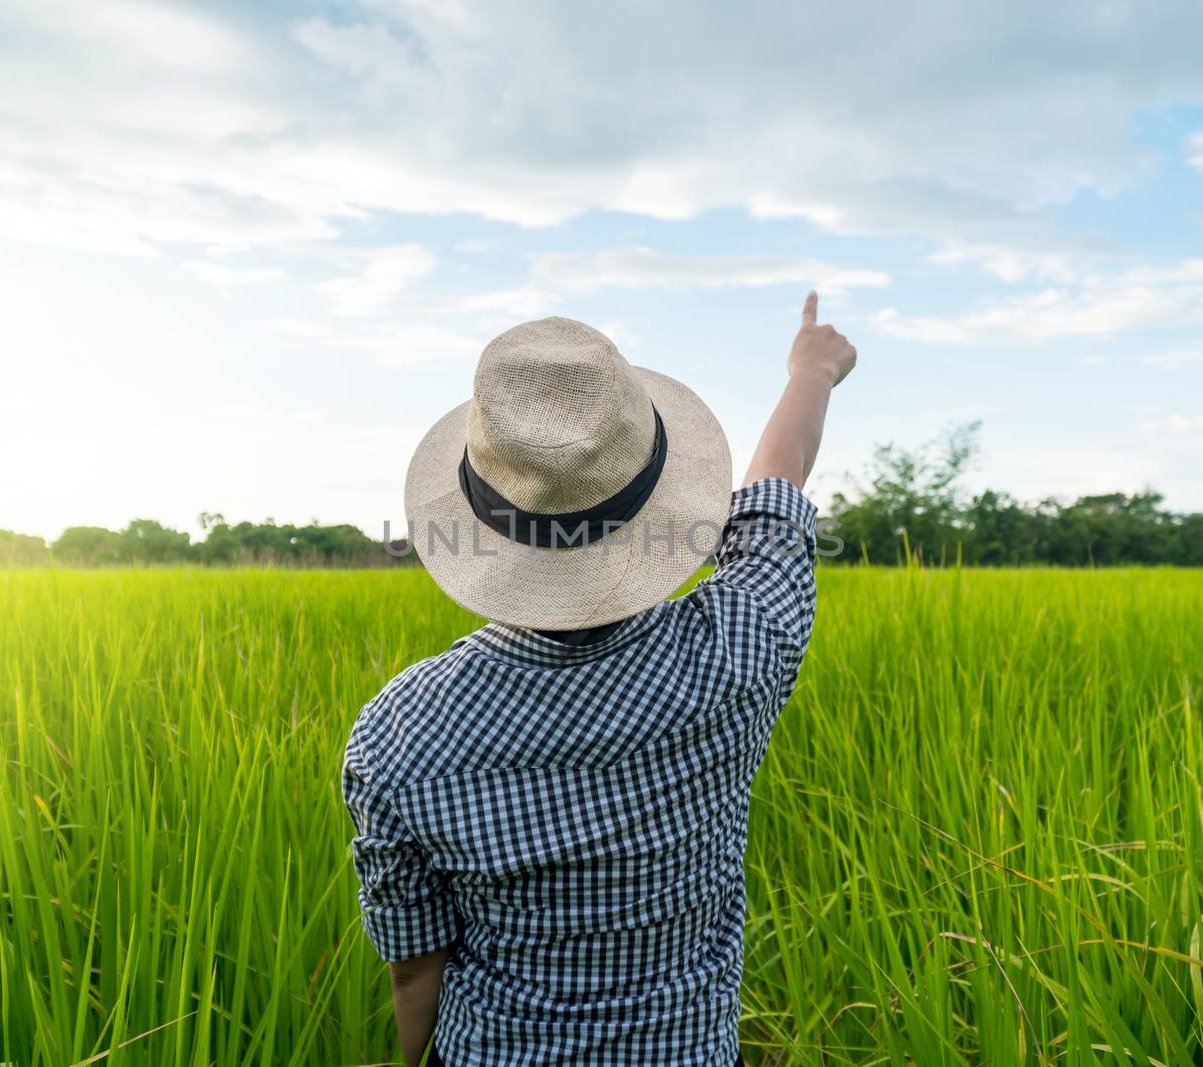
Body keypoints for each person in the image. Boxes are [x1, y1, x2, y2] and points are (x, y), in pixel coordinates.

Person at [342, 291, 857, 1065]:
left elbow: (417, 966)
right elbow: (774, 499)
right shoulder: (737, 650)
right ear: (656, 496)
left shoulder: (396, 732)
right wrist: (810, 370)